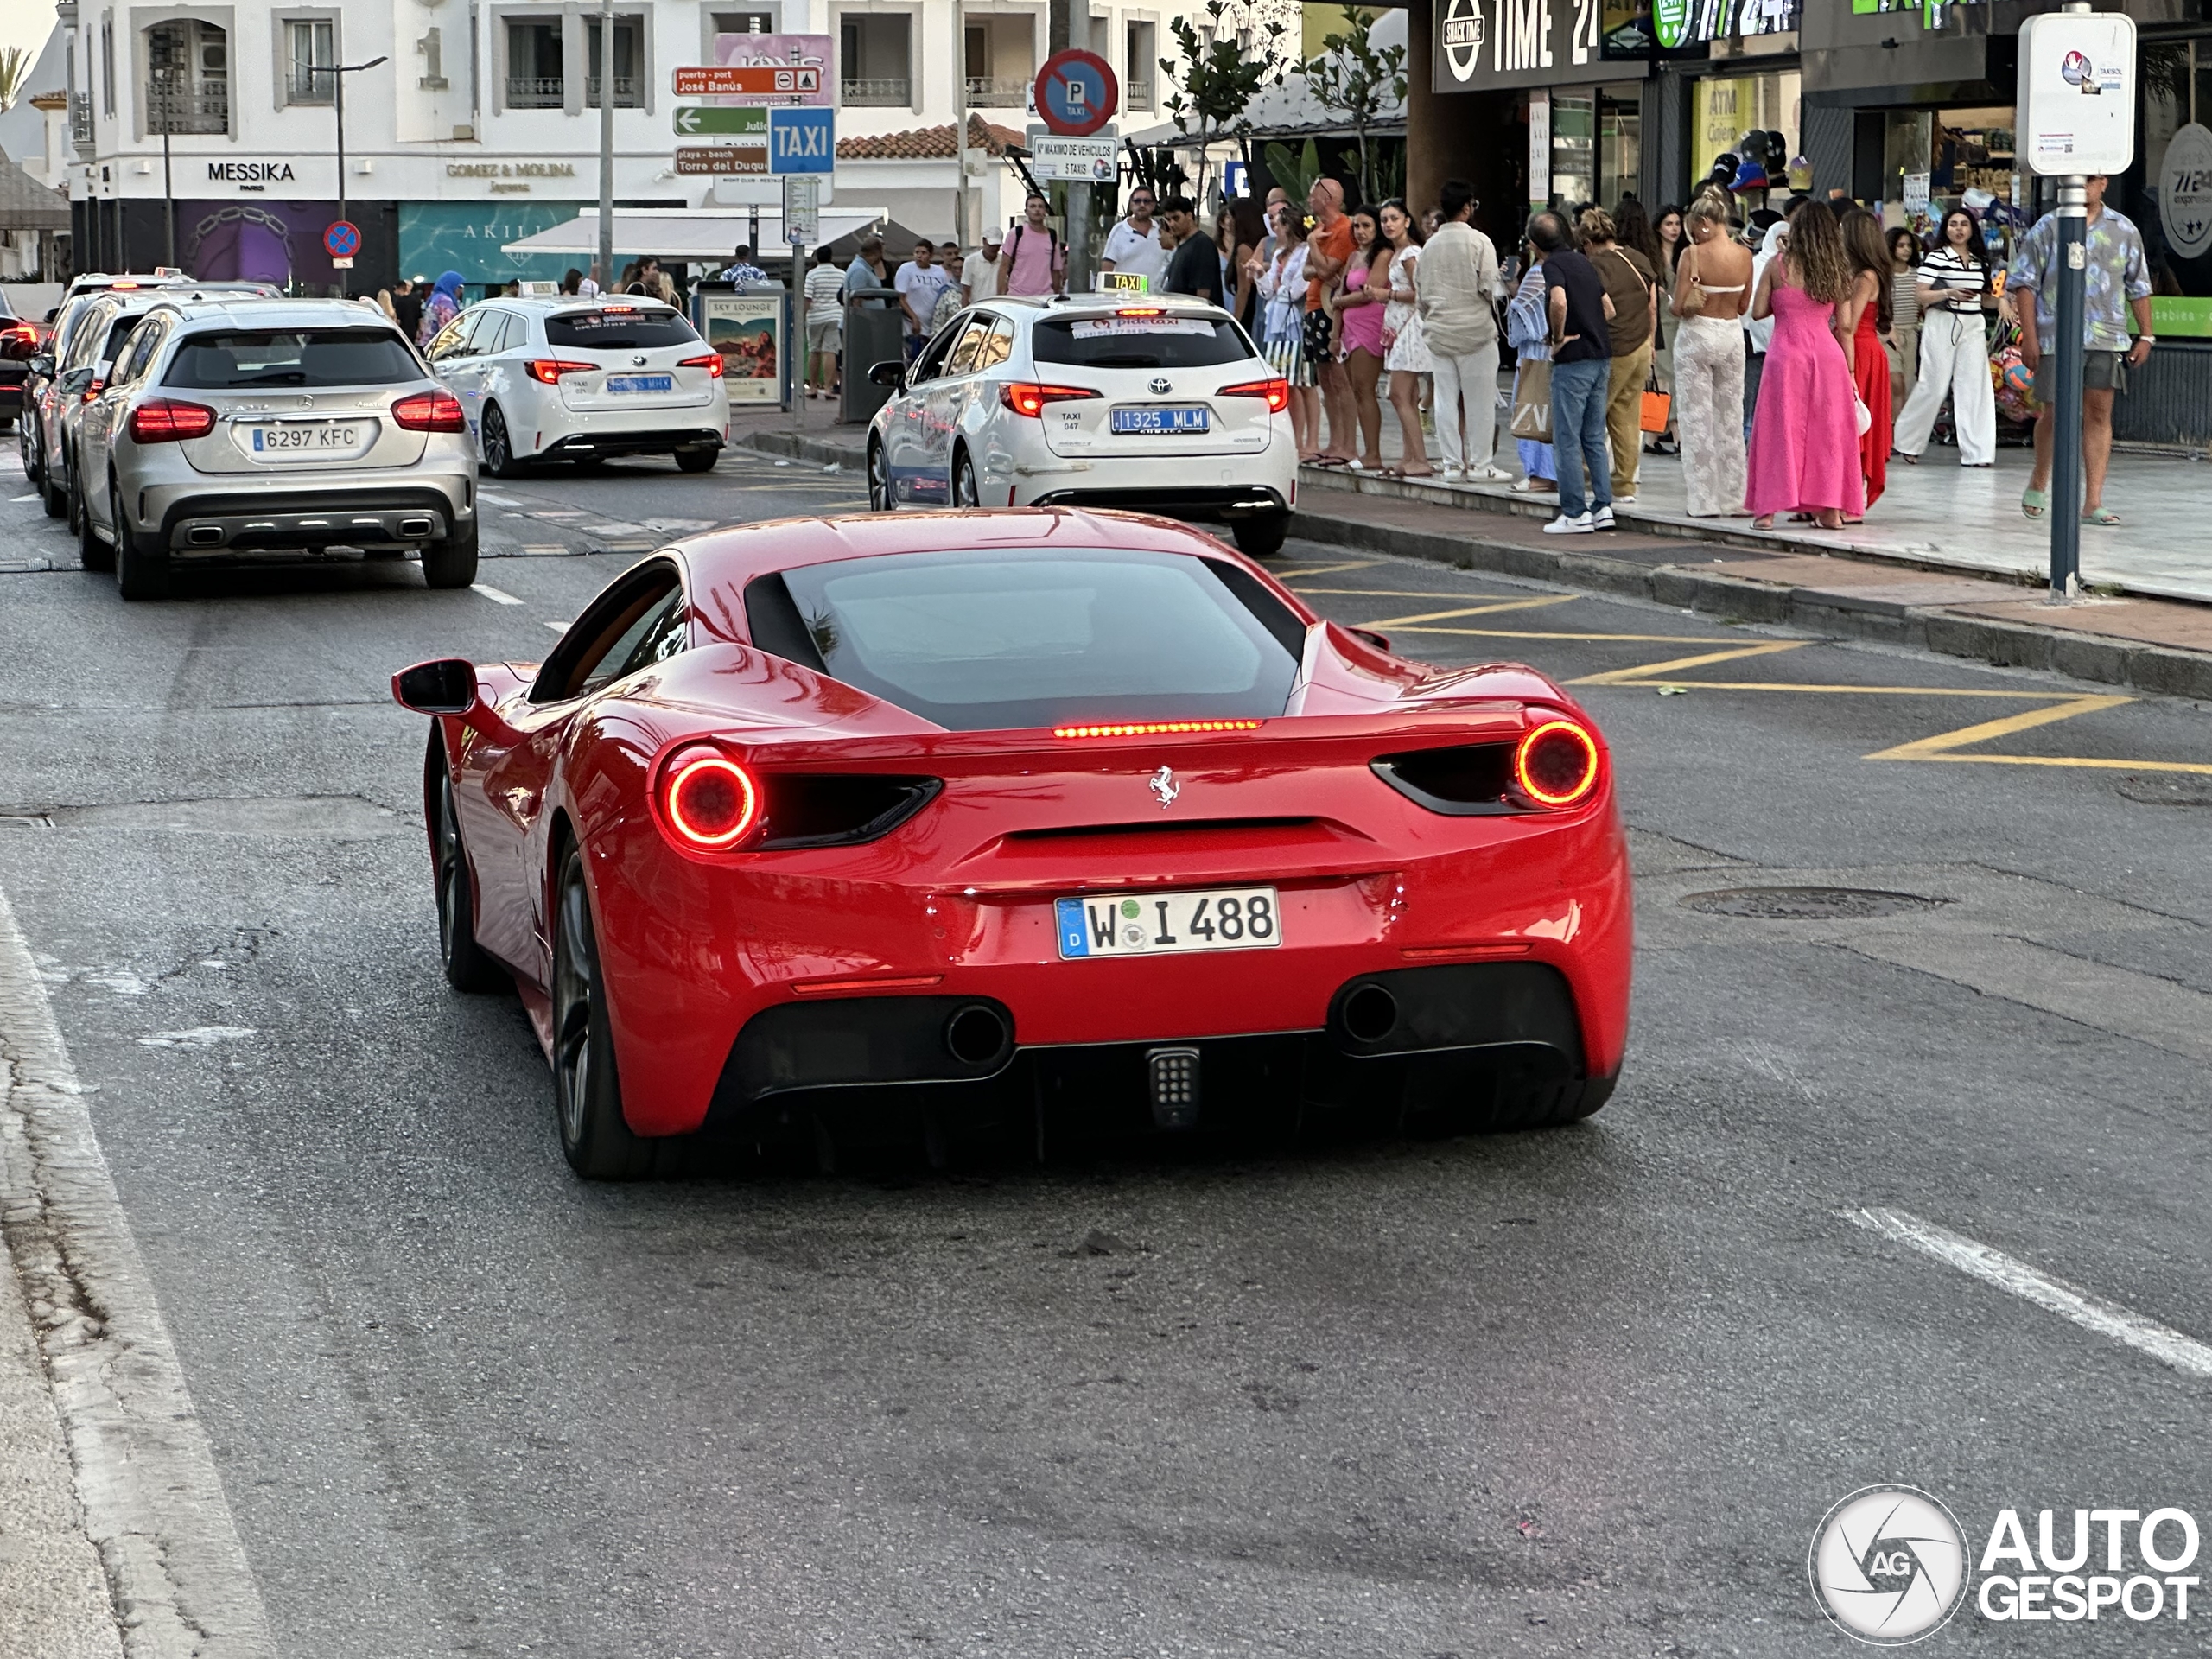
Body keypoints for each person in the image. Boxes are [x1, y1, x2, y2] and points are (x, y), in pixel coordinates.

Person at [2010, 175, 2152, 526]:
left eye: (2090, 179)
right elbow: (2025, 282)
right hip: (2055, 335)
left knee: (2099, 413)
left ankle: (2093, 501)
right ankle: (2040, 478)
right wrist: (2029, 336)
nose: (2083, 186)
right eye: (2078, 179)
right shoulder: (2048, 226)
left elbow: (2139, 284)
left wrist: (2147, 335)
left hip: (2107, 335)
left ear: (2103, 183)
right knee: (2055, 412)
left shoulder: (2123, 229)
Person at [1745, 202, 1861, 531]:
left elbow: (1757, 312)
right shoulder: (1837, 269)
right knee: (1828, 434)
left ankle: (1767, 511)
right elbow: (1846, 324)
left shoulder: (1777, 264)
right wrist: (1851, 372)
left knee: (1778, 431)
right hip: (1828, 358)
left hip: (1785, 355)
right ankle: (1829, 511)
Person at [1668, 187, 1751, 518]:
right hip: (1731, 334)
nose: (1692, 233)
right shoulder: (1744, 255)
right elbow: (1744, 306)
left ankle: (1703, 500)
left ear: (1704, 221)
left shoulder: (1693, 254)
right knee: (1730, 418)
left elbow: (1677, 306)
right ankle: (1735, 497)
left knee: (1696, 419)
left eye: (1693, 226)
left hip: (1697, 334)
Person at [1417, 178, 1507, 482]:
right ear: (1468, 208)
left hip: (1439, 332)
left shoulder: (1428, 247)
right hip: (1476, 332)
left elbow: (1421, 297)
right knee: (1479, 401)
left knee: (1444, 400)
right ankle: (1481, 465)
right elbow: (1490, 289)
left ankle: (1452, 464)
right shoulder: (1480, 242)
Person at [1895, 207, 1998, 468]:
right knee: (1934, 383)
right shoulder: (1937, 258)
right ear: (1946, 229)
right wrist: (1948, 293)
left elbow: (1982, 296)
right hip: (1943, 321)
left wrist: (2003, 303)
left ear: (1972, 228)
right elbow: (1921, 294)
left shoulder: (1979, 260)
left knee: (1975, 386)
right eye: (1953, 224)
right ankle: (1907, 442)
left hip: (1973, 322)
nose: (1959, 229)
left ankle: (1978, 452)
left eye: (1964, 224)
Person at [1533, 211, 1615, 533]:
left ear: (1535, 245)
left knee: (1566, 438)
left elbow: (1559, 301)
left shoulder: (1552, 266)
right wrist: (1589, 324)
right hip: (1601, 356)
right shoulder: (1585, 262)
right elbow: (1609, 309)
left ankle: (1574, 511)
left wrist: (1557, 337)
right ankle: (1603, 506)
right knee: (1594, 436)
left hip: (1573, 359)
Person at [1579, 207, 1657, 505]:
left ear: (1588, 242)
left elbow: (1599, 308)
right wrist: (1650, 343)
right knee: (1626, 418)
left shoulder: (1596, 266)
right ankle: (1625, 485)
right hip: (1639, 348)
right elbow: (1652, 306)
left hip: (1613, 348)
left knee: (1592, 414)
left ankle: (1586, 475)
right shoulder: (1638, 259)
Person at [1838, 207, 1894, 513]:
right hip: (1867, 347)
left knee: (1856, 423)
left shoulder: (1864, 277)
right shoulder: (1871, 273)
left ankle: (1853, 498)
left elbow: (1850, 320)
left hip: (1859, 350)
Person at [1372, 200, 1433, 478]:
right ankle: (1409, 456)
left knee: (1398, 393)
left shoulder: (1410, 253)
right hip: (1398, 326)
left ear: (1406, 221)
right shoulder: (1396, 253)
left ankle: (1419, 458)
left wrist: (1389, 295)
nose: (1388, 224)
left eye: (1394, 218)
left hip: (1410, 327)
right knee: (1407, 394)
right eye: (1384, 219)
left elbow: (1420, 293)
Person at [1328, 207, 1389, 472]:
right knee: (1356, 390)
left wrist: (1340, 301)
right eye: (1357, 226)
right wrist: (1334, 333)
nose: (1360, 231)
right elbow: (1340, 293)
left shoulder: (1383, 254)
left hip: (1370, 325)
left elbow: (1369, 292)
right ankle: (1367, 450)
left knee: (1365, 389)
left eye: (1366, 226)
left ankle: (1374, 452)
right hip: (1349, 329)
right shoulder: (1353, 256)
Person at [1305, 178, 1360, 465]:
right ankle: (1334, 441)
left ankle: (1347, 444)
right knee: (1324, 378)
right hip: (1314, 305)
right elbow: (1306, 271)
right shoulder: (1319, 230)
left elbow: (1326, 270)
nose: (1309, 200)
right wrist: (1316, 254)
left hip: (1330, 309)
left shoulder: (1342, 230)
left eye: (1313, 195)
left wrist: (1314, 246)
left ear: (1327, 197)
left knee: (1340, 379)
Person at [1258, 211, 1320, 460]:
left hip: (1296, 322)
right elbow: (1268, 290)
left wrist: (1278, 287)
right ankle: (1294, 438)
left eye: (1279, 225)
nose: (1275, 229)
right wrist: (1260, 275)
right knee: (1288, 383)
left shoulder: (1305, 252)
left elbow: (1296, 289)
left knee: (1305, 383)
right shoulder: (1278, 254)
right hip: (1278, 322)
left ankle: (1312, 441)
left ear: (1289, 227)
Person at [1618, 197, 1674, 457]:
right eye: (1669, 223)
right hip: (1652, 324)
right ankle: (1657, 434)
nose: (1674, 228)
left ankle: (1649, 438)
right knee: (1656, 380)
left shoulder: (1615, 253)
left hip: (1625, 325)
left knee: (1641, 387)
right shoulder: (1649, 254)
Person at [1506, 238, 1556, 496]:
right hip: (1554, 351)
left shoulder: (1539, 272)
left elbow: (1524, 309)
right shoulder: (1564, 268)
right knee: (1550, 413)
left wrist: (1514, 296)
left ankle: (1538, 474)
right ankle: (1550, 473)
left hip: (1536, 353)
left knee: (1532, 411)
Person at [1744, 219, 1787, 433]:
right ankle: (1748, 429)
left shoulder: (1794, 267)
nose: (1785, 244)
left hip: (1782, 339)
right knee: (1753, 385)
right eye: (1781, 239)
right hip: (1754, 338)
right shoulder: (1756, 263)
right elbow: (1751, 304)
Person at [893, 239, 950, 361]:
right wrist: (914, 318)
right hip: (912, 326)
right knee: (913, 359)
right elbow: (901, 298)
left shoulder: (939, 272)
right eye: (917, 252)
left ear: (931, 255)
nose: (919, 256)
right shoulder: (906, 269)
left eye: (923, 253)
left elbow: (944, 296)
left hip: (933, 325)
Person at [999, 194, 1065, 296]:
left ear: (1045, 211)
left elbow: (1056, 271)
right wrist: (1000, 296)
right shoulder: (1016, 233)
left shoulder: (1052, 236)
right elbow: (1004, 267)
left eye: (1040, 206)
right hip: (1018, 296)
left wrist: (1055, 295)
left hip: (1045, 297)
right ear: (1026, 212)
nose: (1037, 210)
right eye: (1033, 206)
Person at [1885, 226, 1923, 407]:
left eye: (1909, 245)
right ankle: (1891, 427)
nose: (1906, 249)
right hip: (1887, 334)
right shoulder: (1883, 276)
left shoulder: (1919, 275)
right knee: (1895, 383)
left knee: (1909, 384)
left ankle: (1903, 429)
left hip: (1911, 333)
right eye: (1901, 245)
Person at [1103, 187, 1168, 285]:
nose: (1142, 205)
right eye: (1137, 201)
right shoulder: (1120, 230)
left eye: (1146, 201)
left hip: (1155, 298)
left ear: (1153, 205)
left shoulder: (1162, 232)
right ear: (1131, 205)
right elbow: (1107, 266)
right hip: (1125, 297)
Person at [1160, 198, 1222, 304]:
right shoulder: (1183, 245)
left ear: (1189, 216)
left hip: (1194, 316)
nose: (1172, 224)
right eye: (1168, 220)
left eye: (1176, 218)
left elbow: (1203, 293)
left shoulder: (1202, 244)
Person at [804, 246, 844, 399]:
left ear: (817, 258)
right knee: (830, 352)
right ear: (831, 257)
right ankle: (828, 388)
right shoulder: (841, 274)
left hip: (816, 317)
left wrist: (803, 316)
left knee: (814, 351)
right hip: (836, 316)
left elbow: (808, 298)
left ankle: (813, 388)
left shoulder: (812, 274)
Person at [1224, 198, 1268, 329]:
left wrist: (1236, 321)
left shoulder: (1243, 249)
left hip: (1249, 310)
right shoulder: (1261, 243)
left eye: (1229, 217)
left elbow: (1244, 289)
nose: (1227, 222)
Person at [417, 270, 465, 349]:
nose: (462, 291)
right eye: (460, 287)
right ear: (451, 285)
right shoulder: (445, 302)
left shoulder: (435, 298)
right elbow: (448, 329)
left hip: (427, 344)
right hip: (438, 349)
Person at [844, 235, 891, 315]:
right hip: (862, 323)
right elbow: (857, 301)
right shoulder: (860, 270)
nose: (880, 259)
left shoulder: (865, 269)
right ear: (873, 254)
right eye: (880, 255)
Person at [962, 227, 1004, 302]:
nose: (994, 248)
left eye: (997, 246)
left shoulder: (1003, 262)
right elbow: (966, 289)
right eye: (991, 245)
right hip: (978, 306)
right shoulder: (971, 261)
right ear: (984, 241)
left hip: (998, 306)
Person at [391, 277, 423, 343]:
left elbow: (398, 320)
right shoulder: (416, 300)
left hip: (403, 332)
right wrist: (420, 330)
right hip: (413, 331)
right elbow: (419, 317)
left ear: (399, 289)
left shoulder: (400, 302)